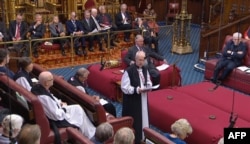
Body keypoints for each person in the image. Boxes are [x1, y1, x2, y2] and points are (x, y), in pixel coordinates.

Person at [31, 71, 96, 138]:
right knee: (79, 112)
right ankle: (90, 135)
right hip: (57, 121)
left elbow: (51, 98)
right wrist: (64, 108)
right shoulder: (44, 97)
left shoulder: (38, 87)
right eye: (51, 79)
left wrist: (59, 102)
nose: (53, 80)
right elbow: (56, 115)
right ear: (46, 83)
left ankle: (88, 132)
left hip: (57, 110)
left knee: (77, 108)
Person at [121, 50, 152, 143]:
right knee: (136, 120)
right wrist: (137, 90)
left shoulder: (145, 69)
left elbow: (148, 80)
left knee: (144, 118)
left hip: (143, 98)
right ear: (135, 59)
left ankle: (144, 137)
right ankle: (135, 139)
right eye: (139, 60)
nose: (141, 62)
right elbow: (124, 87)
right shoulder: (129, 71)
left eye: (143, 60)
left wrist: (149, 86)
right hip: (133, 101)